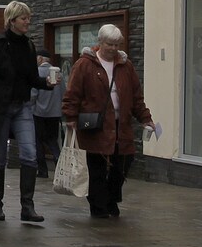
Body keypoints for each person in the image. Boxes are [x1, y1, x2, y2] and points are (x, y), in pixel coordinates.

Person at [63, 24, 153, 219]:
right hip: (95, 125)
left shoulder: (125, 66)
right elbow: (73, 92)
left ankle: (111, 199)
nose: (113, 48)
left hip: (121, 126)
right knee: (96, 167)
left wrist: (146, 118)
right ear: (100, 43)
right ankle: (99, 207)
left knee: (122, 164)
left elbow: (136, 96)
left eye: (116, 44)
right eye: (109, 44)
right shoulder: (84, 64)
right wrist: (70, 116)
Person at [0, 0, 51, 225]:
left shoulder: (28, 45)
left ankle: (27, 207)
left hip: (22, 107)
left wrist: (46, 83)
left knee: (29, 153)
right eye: (24, 18)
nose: (28, 21)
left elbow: (30, 77)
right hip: (0, 109)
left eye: (28, 17)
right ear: (12, 21)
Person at [32, 52, 66, 185]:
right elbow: (64, 93)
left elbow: (33, 95)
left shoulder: (37, 73)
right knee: (52, 140)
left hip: (39, 113)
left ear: (40, 58)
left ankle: (42, 170)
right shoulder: (59, 74)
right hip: (55, 113)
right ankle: (59, 164)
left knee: (38, 141)